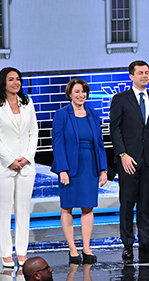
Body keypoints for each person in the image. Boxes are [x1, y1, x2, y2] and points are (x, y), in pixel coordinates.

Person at [109, 60, 149, 262]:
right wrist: (122, 155)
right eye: (141, 73)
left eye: (147, 73)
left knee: (145, 203)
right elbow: (114, 130)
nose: (145, 76)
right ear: (131, 76)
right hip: (128, 160)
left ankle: (145, 242)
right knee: (127, 202)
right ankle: (127, 244)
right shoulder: (120, 99)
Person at [0, 67, 39, 269]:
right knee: (4, 209)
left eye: (18, 79)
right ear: (3, 83)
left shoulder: (28, 103)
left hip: (26, 166)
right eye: (11, 79)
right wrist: (10, 160)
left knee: (23, 210)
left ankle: (22, 251)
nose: (16, 82)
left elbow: (33, 132)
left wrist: (26, 157)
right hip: (3, 167)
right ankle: (5, 253)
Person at [51, 78, 108, 264]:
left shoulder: (93, 113)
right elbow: (58, 143)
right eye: (77, 91)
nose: (80, 95)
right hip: (69, 166)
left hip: (90, 165)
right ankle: (72, 248)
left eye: (83, 92)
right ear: (70, 94)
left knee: (88, 207)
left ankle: (86, 247)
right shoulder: (62, 114)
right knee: (67, 207)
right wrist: (62, 169)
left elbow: (99, 143)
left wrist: (103, 169)